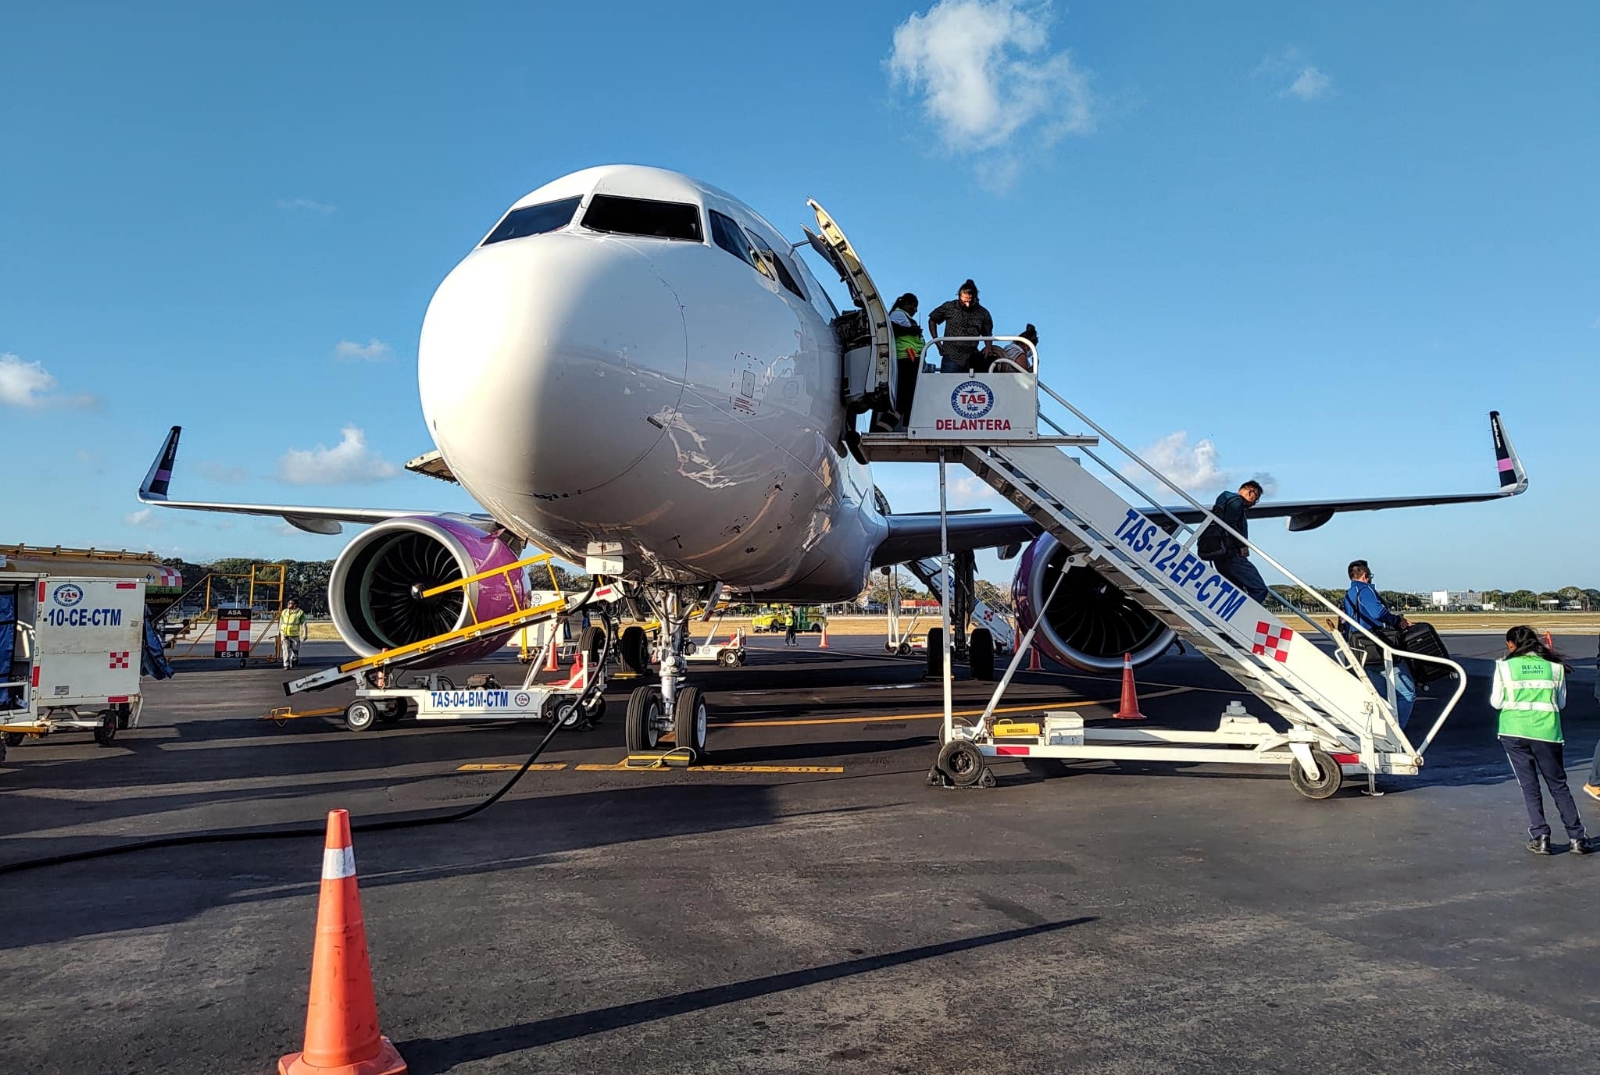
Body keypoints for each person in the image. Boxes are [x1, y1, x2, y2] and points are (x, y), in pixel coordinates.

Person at [1493, 625, 1592, 855]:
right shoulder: (1555, 668)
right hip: (1547, 732)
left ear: (1511, 645)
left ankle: (1541, 836)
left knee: (1529, 786)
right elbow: (1562, 703)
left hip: (1514, 730)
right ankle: (1576, 837)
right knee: (1558, 785)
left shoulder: (1505, 667)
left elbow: (1496, 702)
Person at [1340, 560, 1416, 729]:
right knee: (1406, 693)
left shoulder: (1348, 595)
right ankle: (1397, 734)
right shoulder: (1365, 591)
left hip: (1359, 648)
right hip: (1376, 649)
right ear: (1365, 576)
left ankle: (1381, 731)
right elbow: (1378, 612)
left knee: (1380, 696)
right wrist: (1397, 620)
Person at [1196, 481, 1269, 604]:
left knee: (1235, 590)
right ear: (1251, 492)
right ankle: (1245, 615)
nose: (1254, 504)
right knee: (1259, 589)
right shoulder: (1237, 502)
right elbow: (1230, 526)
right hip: (1231, 553)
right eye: (1256, 499)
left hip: (1219, 552)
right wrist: (1242, 546)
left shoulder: (1223, 502)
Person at [926, 279, 994, 373]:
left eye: (971, 301)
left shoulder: (983, 313)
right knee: (948, 384)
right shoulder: (949, 307)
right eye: (964, 301)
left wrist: (988, 347)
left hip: (972, 356)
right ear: (959, 296)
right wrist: (937, 342)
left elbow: (988, 334)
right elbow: (932, 319)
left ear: (975, 298)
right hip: (952, 355)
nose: (967, 304)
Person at [889, 293, 924, 428]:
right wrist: (912, 330)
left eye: (916, 307)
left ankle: (901, 424)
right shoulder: (898, 314)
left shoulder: (904, 316)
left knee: (907, 398)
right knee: (904, 397)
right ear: (905, 304)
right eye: (913, 305)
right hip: (905, 358)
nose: (915, 310)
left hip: (911, 358)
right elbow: (891, 328)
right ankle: (885, 427)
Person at [279, 599, 307, 669]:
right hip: (285, 634)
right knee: (285, 650)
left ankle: (293, 659)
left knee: (295, 650)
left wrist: (305, 634)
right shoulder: (284, 612)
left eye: (291, 603)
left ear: (295, 605)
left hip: (294, 635)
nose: (289, 604)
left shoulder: (300, 613)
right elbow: (281, 622)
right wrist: (279, 632)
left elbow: (304, 624)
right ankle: (286, 664)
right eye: (288, 603)